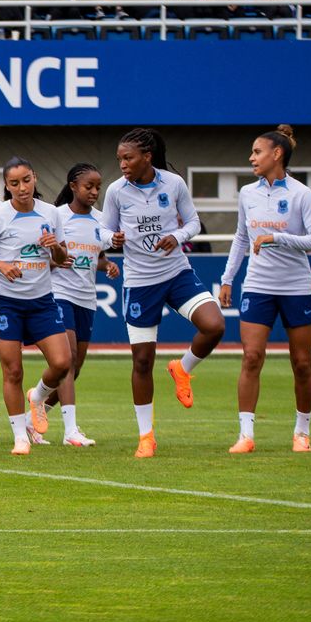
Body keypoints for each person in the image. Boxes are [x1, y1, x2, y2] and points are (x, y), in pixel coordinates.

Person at [102, 128, 224, 459]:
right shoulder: (116, 191)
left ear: (147, 157)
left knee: (215, 326)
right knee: (142, 361)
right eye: (119, 159)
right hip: (140, 282)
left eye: (128, 158)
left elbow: (195, 223)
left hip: (176, 273)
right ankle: (146, 437)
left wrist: (177, 234)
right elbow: (103, 229)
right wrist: (110, 239)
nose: (123, 164)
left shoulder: (173, 184)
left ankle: (182, 368)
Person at [218, 125, 311, 455]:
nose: (251, 157)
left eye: (257, 151)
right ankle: (246, 436)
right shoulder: (247, 194)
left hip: (296, 288)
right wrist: (227, 278)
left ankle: (302, 432)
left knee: (302, 363)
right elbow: (241, 238)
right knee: (251, 358)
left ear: (276, 154)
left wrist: (278, 238)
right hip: (257, 286)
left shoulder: (301, 194)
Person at [0, 157, 72, 456]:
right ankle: (20, 437)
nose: (22, 188)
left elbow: (62, 259)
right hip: (6, 303)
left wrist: (54, 247)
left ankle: (37, 397)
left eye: (26, 180)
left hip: (42, 301)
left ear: (34, 177)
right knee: (12, 371)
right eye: (14, 183)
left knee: (63, 363)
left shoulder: (50, 213)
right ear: (7, 186)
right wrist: (0, 265)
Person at [27, 163, 118, 444]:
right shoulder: (57, 216)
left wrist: (107, 266)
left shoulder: (102, 221)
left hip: (86, 298)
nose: (94, 192)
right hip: (59, 294)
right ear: (73, 186)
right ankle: (71, 432)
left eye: (98, 187)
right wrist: (55, 260)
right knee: (67, 361)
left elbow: (95, 257)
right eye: (88, 186)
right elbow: (43, 254)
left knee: (74, 368)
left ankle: (37, 400)